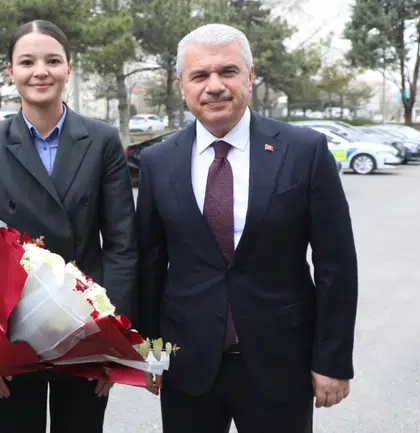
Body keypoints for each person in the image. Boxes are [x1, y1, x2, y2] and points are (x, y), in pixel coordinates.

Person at [136, 23, 358, 433]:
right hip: (188, 366)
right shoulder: (157, 161)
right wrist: (151, 353)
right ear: (182, 85)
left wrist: (332, 359)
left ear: (251, 75)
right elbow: (150, 268)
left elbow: (336, 266)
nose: (215, 86)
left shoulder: (304, 151)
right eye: (200, 75)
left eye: (229, 72)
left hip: (280, 362)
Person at [0, 19, 138, 433]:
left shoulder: (102, 140)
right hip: (10, 330)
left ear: (69, 67)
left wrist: (115, 342)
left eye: (53, 60)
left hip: (86, 329)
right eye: (28, 62)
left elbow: (122, 243)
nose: (41, 71)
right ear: (11, 71)